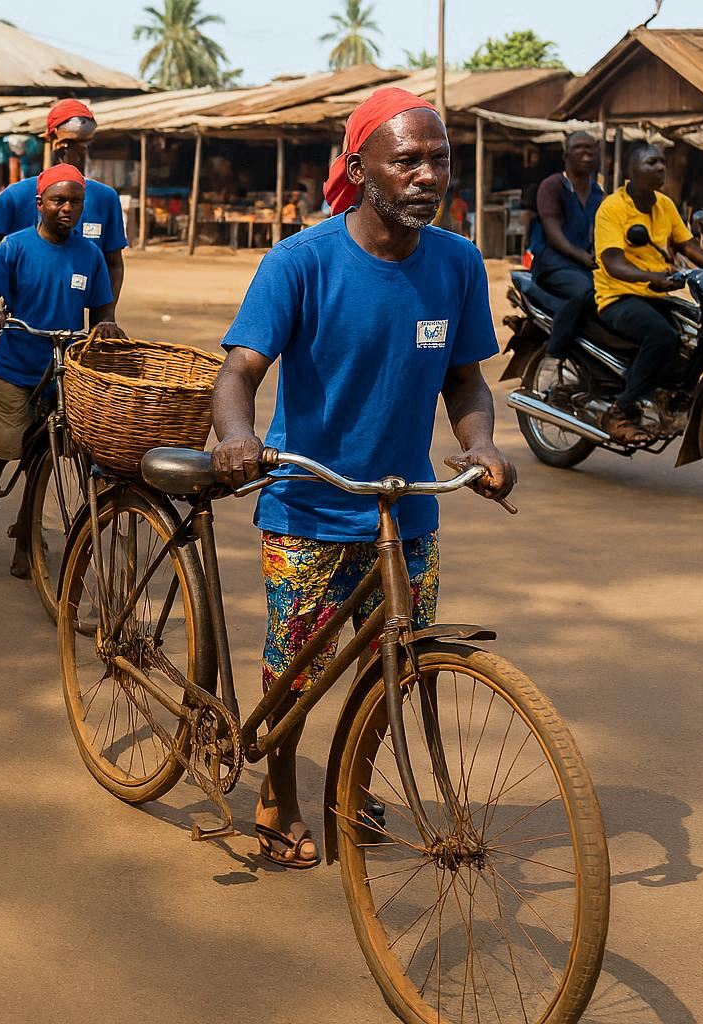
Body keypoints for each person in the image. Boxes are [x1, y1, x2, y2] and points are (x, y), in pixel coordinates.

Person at [207, 88, 516, 870]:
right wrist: (240, 439)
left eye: (438, 159)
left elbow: (466, 381)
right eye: (406, 158)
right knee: (298, 672)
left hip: (406, 512)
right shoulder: (301, 264)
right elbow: (238, 372)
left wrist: (480, 445)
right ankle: (277, 790)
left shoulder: (455, 263)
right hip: (308, 505)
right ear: (359, 168)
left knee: (397, 666)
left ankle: (355, 780)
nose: (426, 175)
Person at [0, 163, 126, 572]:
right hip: (16, 369)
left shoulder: (91, 255)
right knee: (7, 444)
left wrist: (106, 324)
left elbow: (102, 310)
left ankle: (26, 544)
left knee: (45, 458)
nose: (67, 208)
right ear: (39, 203)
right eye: (58, 200)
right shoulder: (15, 247)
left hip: (64, 375)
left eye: (75, 202)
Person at [590, 144, 703, 442]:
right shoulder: (612, 208)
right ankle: (620, 409)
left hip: (657, 295)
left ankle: (679, 394)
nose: (660, 167)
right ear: (632, 171)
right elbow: (612, 262)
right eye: (651, 162)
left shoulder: (664, 204)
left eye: (662, 162)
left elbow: (689, 246)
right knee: (662, 335)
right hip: (618, 296)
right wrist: (652, 276)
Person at [0, 99, 128, 310]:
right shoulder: (16, 196)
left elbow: (114, 263)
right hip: (23, 311)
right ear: (55, 142)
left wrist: (105, 317)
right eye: (72, 145)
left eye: (85, 145)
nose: (80, 152)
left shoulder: (105, 199)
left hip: (74, 311)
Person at [531, 132, 604, 302]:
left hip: (586, 265)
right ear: (566, 155)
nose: (586, 153)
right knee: (586, 292)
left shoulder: (597, 193)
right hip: (554, 265)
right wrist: (581, 256)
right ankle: (562, 329)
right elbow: (553, 232)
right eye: (578, 147)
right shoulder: (553, 186)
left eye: (590, 147)